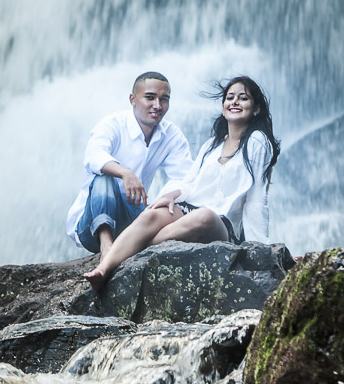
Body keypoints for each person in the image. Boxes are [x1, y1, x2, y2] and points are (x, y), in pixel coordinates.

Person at [82, 76, 281, 290]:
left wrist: (262, 251)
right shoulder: (212, 146)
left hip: (222, 224)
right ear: (223, 106)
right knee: (152, 213)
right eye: (230, 97)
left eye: (243, 98)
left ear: (256, 108)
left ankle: (130, 250)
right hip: (190, 209)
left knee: (203, 215)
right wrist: (171, 195)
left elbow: (257, 199)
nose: (234, 102)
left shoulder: (258, 142)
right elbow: (190, 183)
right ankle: (104, 268)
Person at [66, 72, 195, 257]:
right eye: (150, 98)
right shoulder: (113, 124)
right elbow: (93, 156)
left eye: (164, 99)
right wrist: (125, 173)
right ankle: (106, 246)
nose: (157, 106)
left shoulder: (171, 135)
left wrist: (169, 195)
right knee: (104, 178)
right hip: (90, 224)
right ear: (133, 99)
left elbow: (188, 177)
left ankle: (123, 245)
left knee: (169, 208)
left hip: (131, 223)